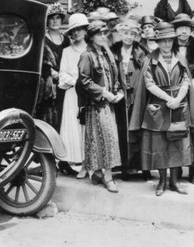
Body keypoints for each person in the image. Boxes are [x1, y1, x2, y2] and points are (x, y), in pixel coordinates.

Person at [129, 22, 194, 196]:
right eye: (163, 41)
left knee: (177, 144)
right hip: (159, 107)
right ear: (157, 42)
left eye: (170, 41)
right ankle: (161, 181)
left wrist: (178, 98)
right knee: (160, 146)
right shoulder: (150, 59)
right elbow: (149, 83)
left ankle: (175, 181)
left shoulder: (180, 58)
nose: (167, 44)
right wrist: (169, 98)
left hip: (178, 106)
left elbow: (186, 80)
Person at [76, 21, 123, 193]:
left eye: (105, 33)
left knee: (107, 138)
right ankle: (106, 177)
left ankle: (98, 173)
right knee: (101, 139)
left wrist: (117, 91)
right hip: (95, 104)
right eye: (99, 34)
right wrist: (104, 92)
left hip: (107, 104)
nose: (103, 37)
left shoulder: (105, 53)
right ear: (91, 37)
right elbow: (84, 80)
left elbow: (114, 75)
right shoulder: (87, 55)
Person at [111, 19, 149, 179]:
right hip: (120, 97)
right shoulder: (114, 51)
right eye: (126, 33)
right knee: (122, 131)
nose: (128, 37)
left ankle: (143, 168)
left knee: (139, 131)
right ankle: (125, 167)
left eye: (132, 34)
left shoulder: (141, 52)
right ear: (121, 34)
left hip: (138, 97)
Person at [171, 13, 194, 183]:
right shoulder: (169, 48)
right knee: (176, 129)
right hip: (175, 93)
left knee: (193, 129)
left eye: (186, 29)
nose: (183, 32)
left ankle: (192, 170)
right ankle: (176, 168)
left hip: (193, 93)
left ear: (191, 31)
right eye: (180, 28)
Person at [58, 13, 89, 178]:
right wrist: (77, 80)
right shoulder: (67, 51)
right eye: (73, 31)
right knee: (75, 128)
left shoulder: (90, 49)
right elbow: (62, 76)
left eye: (79, 30)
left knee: (88, 128)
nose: (76, 33)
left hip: (88, 94)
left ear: (85, 30)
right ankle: (80, 164)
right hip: (72, 95)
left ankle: (88, 164)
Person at [36, 3, 70, 133]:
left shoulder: (67, 40)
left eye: (58, 17)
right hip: (48, 85)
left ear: (62, 20)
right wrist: (56, 74)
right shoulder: (42, 39)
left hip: (65, 84)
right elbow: (41, 64)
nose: (55, 21)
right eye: (52, 17)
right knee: (49, 119)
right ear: (47, 20)